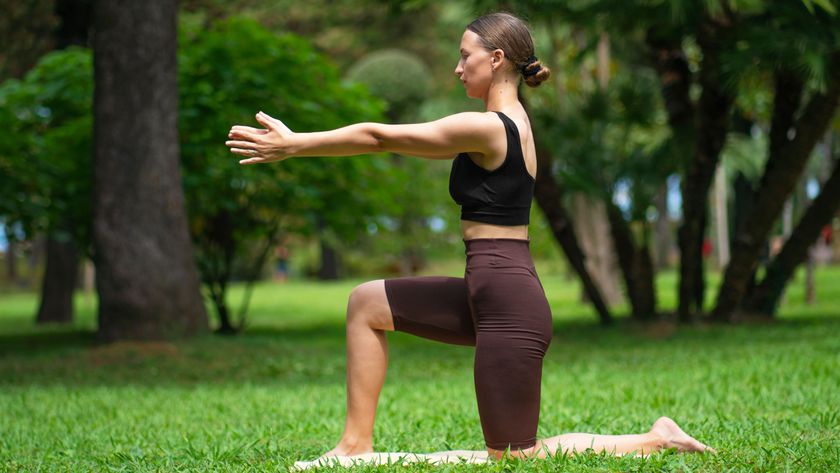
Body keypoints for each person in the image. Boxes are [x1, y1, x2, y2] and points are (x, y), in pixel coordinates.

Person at [226, 11, 713, 466]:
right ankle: (353, 447)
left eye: (466, 56)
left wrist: (295, 144)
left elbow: (379, 137)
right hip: (487, 287)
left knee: (515, 456)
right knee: (366, 303)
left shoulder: (491, 127)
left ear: (496, 59)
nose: (458, 68)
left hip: (508, 301)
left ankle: (654, 440)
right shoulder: (507, 123)